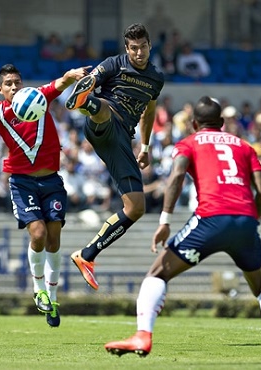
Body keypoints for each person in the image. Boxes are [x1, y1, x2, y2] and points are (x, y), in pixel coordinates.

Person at [104, 96, 261, 363]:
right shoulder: (245, 146)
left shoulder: (189, 142)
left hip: (210, 219)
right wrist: (251, 218)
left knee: (157, 273)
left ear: (194, 123)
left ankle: (143, 335)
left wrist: (165, 220)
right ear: (221, 123)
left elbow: (176, 177)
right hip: (245, 219)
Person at [0, 63, 90, 327]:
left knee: (54, 239)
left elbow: (60, 83)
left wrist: (71, 76)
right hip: (22, 183)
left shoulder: (38, 97)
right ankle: (38, 288)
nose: (14, 86)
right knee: (38, 234)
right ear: (0, 89)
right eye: (8, 83)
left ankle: (52, 298)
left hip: (52, 180)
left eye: (17, 81)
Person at [63, 23, 165, 290]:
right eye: (134, 48)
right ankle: (85, 101)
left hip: (121, 141)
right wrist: (90, 83)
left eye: (143, 47)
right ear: (126, 48)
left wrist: (145, 146)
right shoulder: (114, 64)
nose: (139, 52)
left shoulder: (156, 78)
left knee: (136, 207)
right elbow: (95, 77)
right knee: (105, 109)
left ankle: (86, 256)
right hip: (103, 122)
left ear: (149, 45)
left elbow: (149, 111)